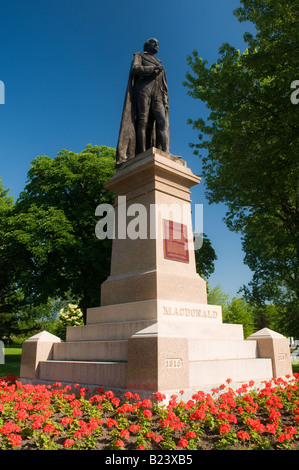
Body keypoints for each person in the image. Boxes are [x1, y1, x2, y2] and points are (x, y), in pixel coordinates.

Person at [115, 38, 170, 168]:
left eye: (158, 43)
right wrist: (152, 69)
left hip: (158, 92)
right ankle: (143, 152)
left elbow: (164, 83)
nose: (156, 44)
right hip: (143, 89)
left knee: (162, 121)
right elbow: (135, 68)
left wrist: (165, 99)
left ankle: (166, 152)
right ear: (147, 45)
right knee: (143, 120)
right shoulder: (139, 56)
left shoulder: (159, 62)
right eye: (153, 42)